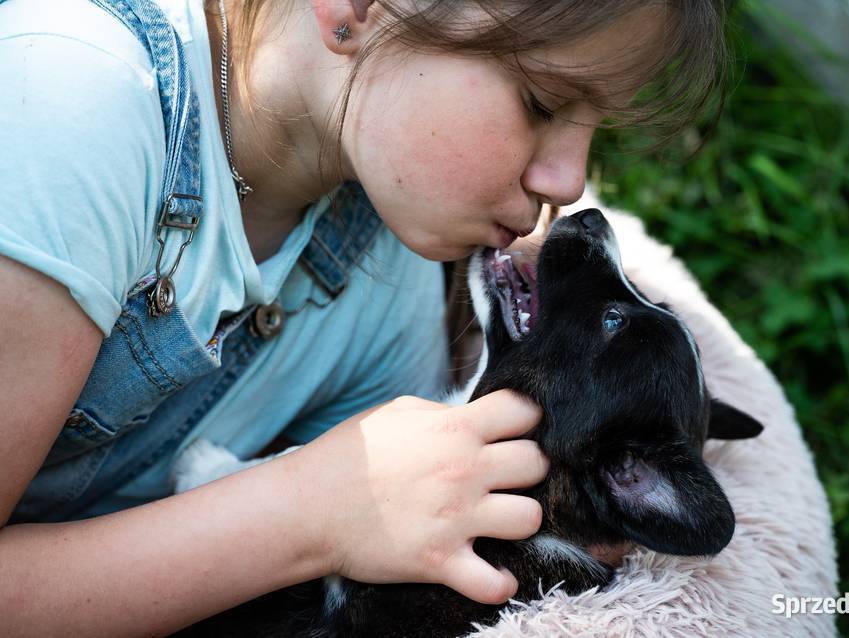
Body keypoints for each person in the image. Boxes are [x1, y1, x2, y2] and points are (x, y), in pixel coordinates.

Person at [0, 0, 727, 634]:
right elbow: (339, 513)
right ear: (357, 4)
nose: (569, 184)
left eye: (596, 129)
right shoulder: (69, 113)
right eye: (541, 101)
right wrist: (307, 515)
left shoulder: (390, 271)